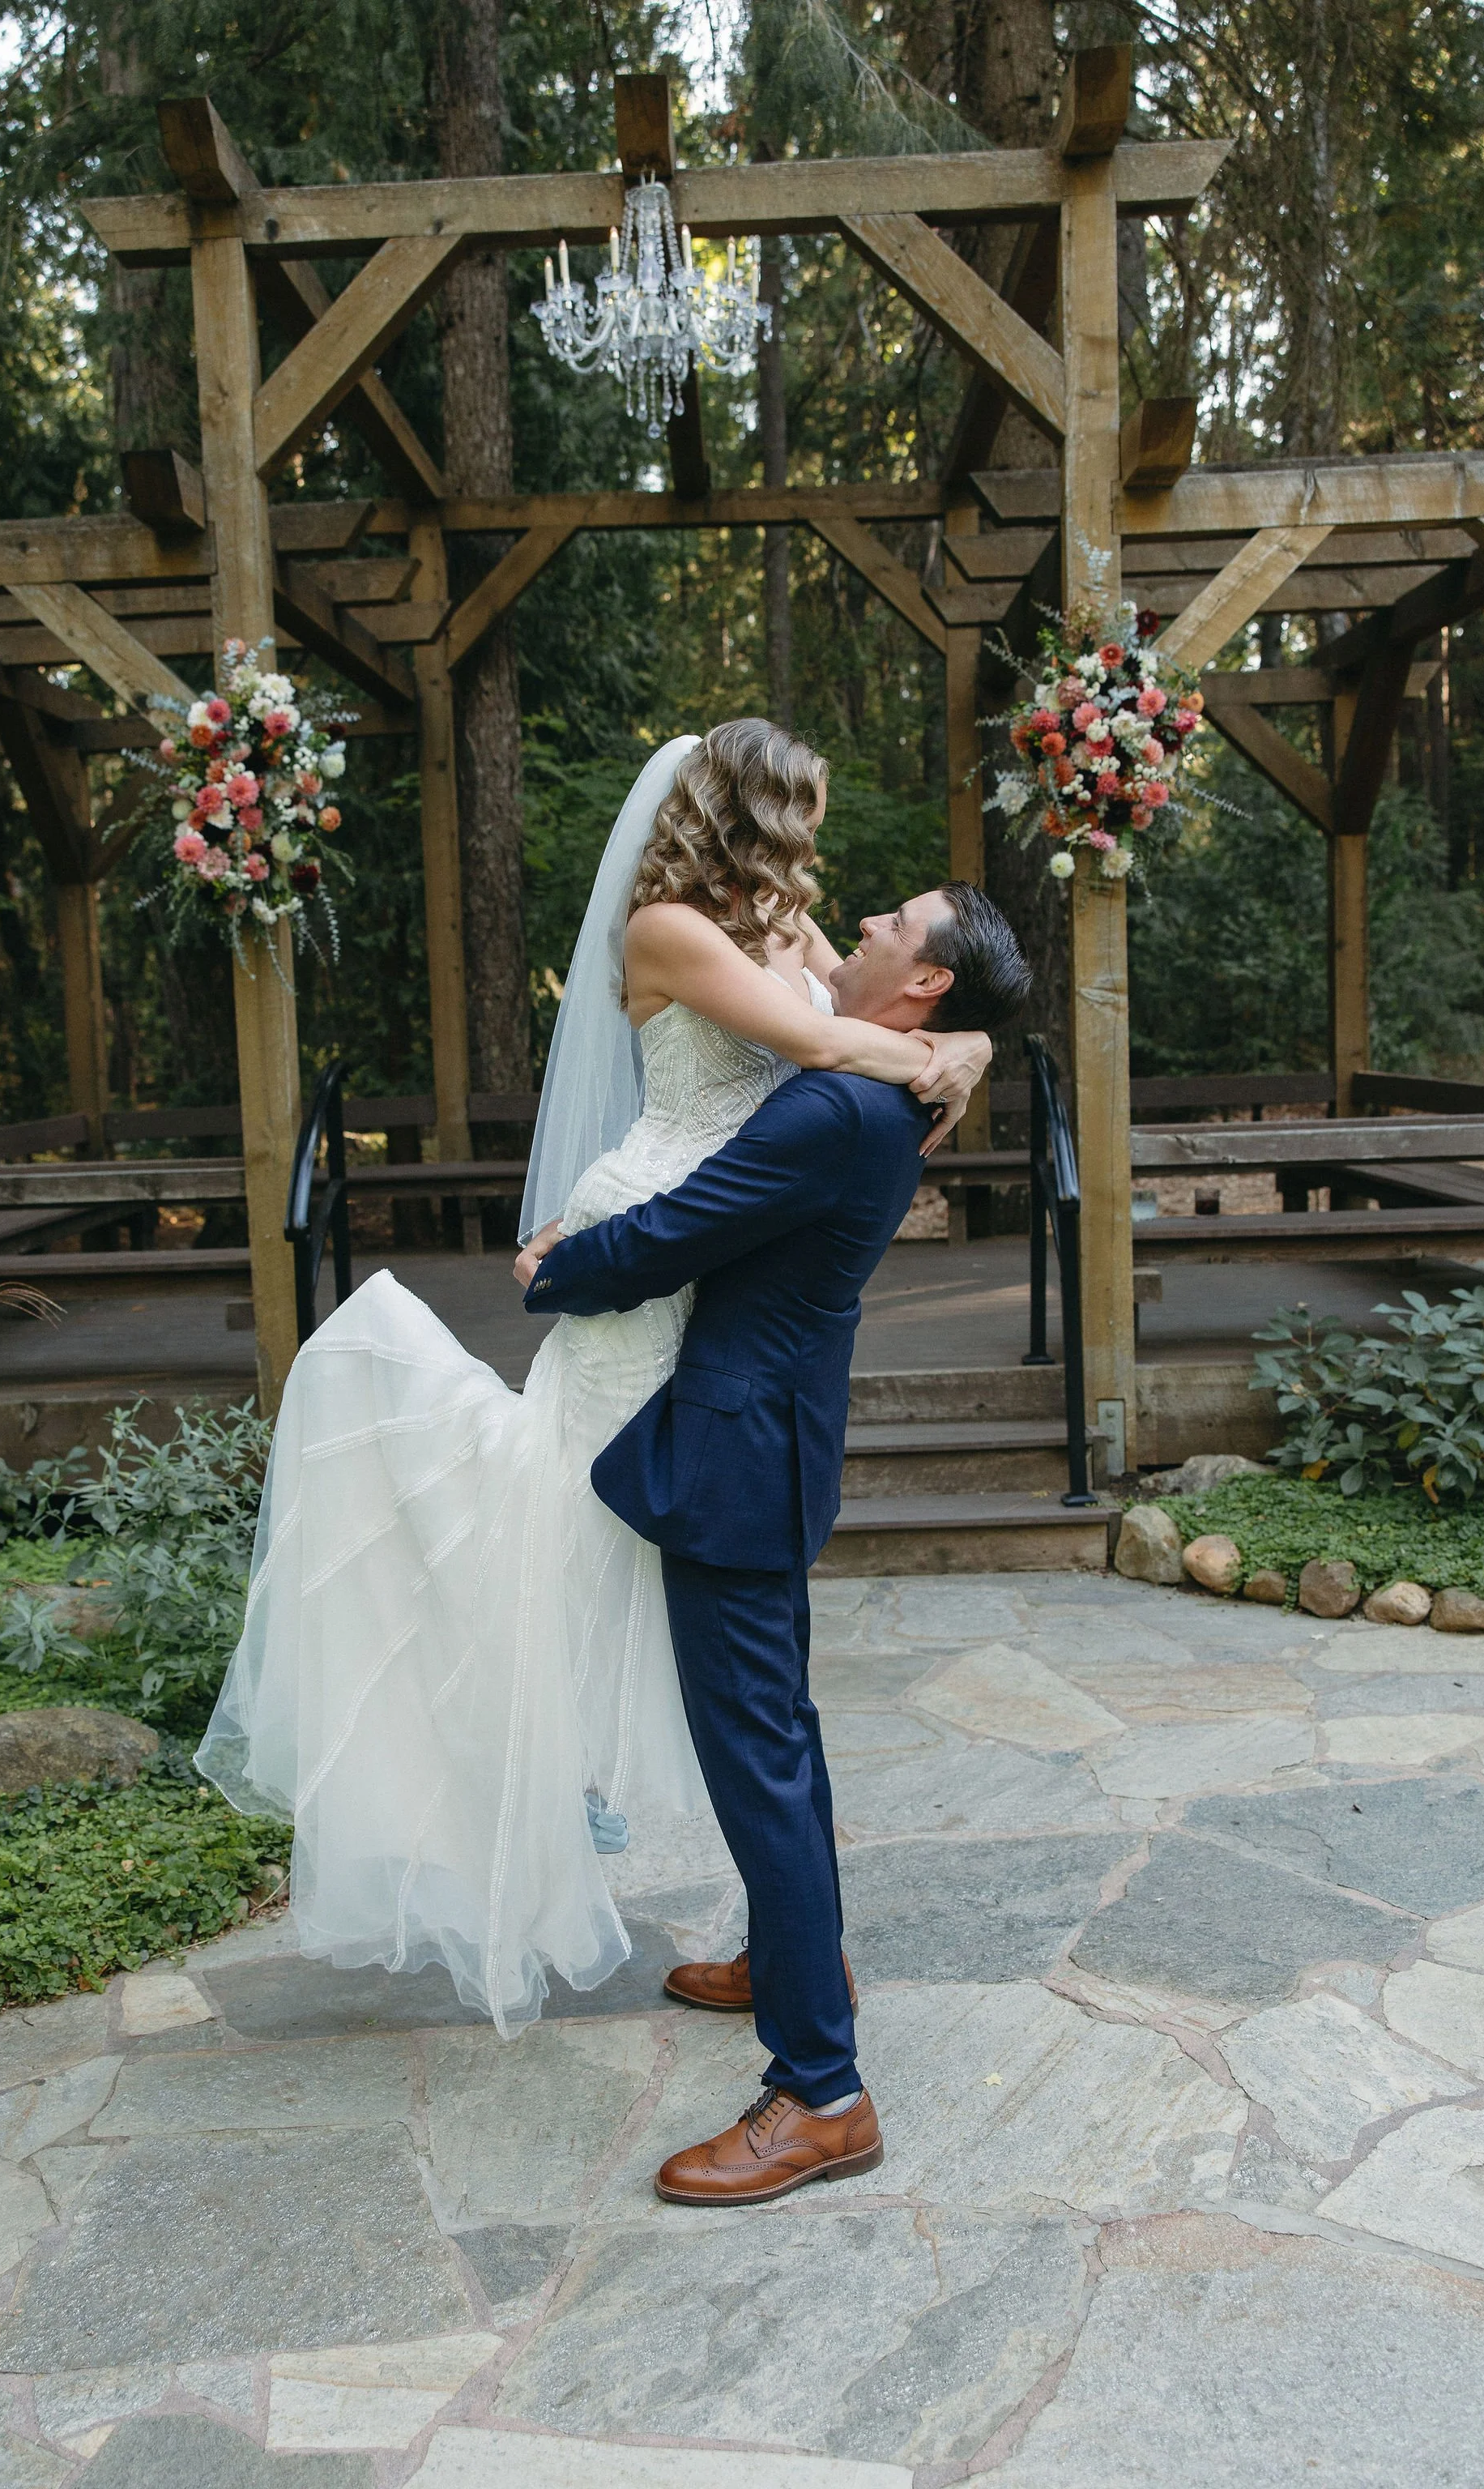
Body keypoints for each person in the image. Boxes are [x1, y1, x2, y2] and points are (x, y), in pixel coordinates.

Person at [195, 722, 994, 2036]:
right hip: (646, 1244)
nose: (827, 859)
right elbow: (839, 1049)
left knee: (708, 1647)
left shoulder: (780, 938)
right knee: (572, 1546)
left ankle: (792, 1954)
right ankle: (757, 1943)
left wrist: (948, 1040)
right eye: (807, 812)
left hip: (699, 1266)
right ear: (755, 815)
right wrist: (947, 1052)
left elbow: (845, 1024)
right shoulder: (670, 931)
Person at [517, 879, 1032, 2202]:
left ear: (922, 983)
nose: (860, 924)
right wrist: (963, 1044)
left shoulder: (835, 1105)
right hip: (774, 1437)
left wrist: (551, 1270)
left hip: (737, 1456)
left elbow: (677, 1236)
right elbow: (815, 975)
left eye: (891, 927)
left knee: (759, 1758)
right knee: (779, 1739)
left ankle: (821, 2090)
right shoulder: (883, 1077)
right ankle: (787, 1953)